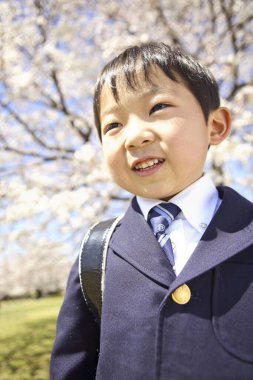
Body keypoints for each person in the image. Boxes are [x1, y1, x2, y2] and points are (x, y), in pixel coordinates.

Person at [50, 42, 253, 380]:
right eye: (113, 126)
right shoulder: (96, 255)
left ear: (215, 126)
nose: (134, 136)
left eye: (158, 106)